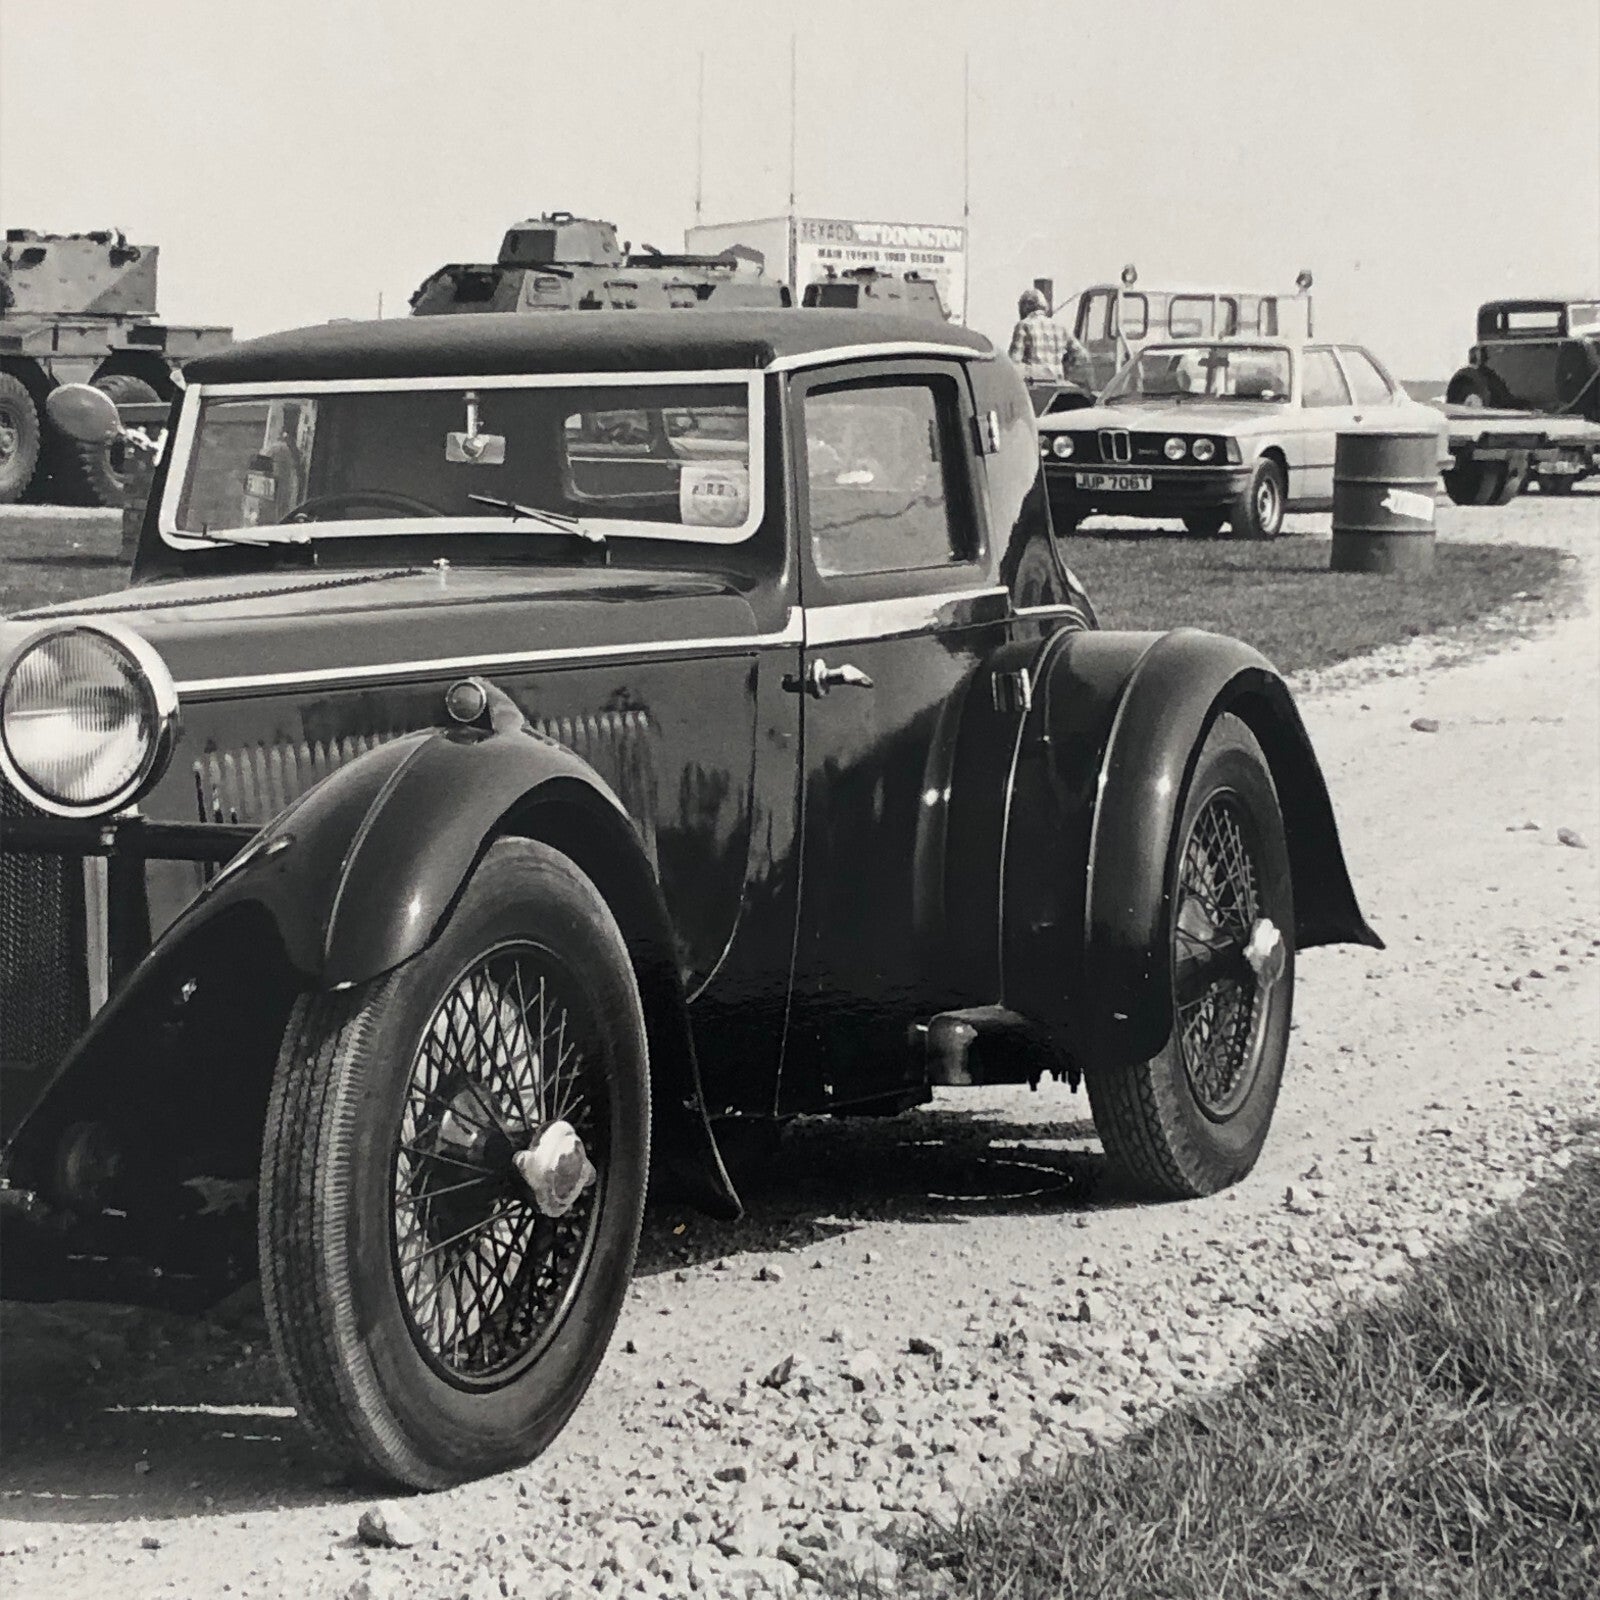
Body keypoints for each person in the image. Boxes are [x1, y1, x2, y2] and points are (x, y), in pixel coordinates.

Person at [1008, 288, 1091, 387]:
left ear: (1026, 306)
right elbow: (1082, 355)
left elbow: (1014, 362)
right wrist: (1067, 367)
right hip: (1057, 383)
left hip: (1034, 384)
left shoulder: (1024, 325)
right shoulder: (1061, 327)